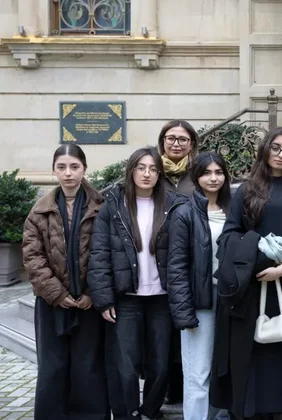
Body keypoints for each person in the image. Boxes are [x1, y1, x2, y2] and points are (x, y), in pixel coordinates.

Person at [211, 127, 282, 420]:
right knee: (257, 349)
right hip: (254, 280)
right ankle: (255, 407)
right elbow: (230, 232)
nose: (281, 155)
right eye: (276, 148)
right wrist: (257, 255)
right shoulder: (247, 189)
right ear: (265, 150)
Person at [88, 147, 188, 420]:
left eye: (153, 169)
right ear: (131, 170)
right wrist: (104, 298)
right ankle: (127, 413)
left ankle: (150, 411)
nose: (147, 174)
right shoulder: (113, 205)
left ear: (160, 173)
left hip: (162, 297)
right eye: (141, 168)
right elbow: (99, 253)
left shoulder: (174, 204)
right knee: (126, 365)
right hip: (127, 297)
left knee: (160, 362)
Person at [22, 145, 109, 419]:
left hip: (89, 303)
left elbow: (107, 252)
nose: (68, 173)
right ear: (54, 170)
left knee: (88, 366)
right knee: (52, 366)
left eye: (74, 167)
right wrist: (57, 294)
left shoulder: (102, 208)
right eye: (62, 167)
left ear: (84, 169)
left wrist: (93, 293)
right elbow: (32, 258)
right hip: (52, 304)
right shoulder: (39, 212)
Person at [167, 152, 232, 420]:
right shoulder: (184, 213)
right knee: (198, 371)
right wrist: (184, 312)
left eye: (219, 172)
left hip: (231, 300)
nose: (213, 178)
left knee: (224, 369)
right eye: (207, 173)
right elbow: (177, 266)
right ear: (197, 177)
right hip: (199, 301)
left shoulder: (234, 209)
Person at [157, 119, 200, 404]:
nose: (176, 143)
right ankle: (165, 388)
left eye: (183, 139)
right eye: (171, 138)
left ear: (192, 144)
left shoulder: (200, 173)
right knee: (162, 331)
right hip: (155, 260)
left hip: (191, 259)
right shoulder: (149, 170)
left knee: (185, 323)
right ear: (162, 142)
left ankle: (187, 386)